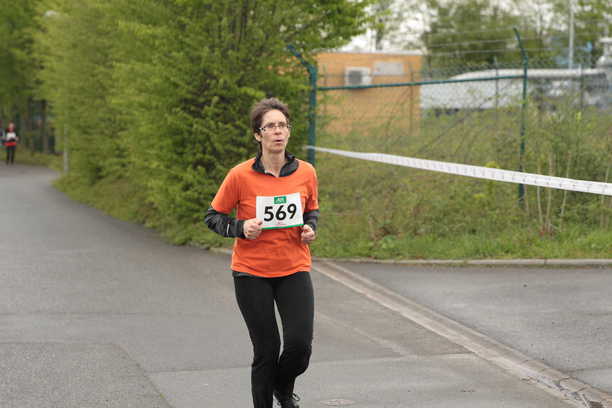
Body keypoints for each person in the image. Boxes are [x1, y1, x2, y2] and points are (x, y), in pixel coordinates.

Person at [205, 97, 319, 408]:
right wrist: (241, 227)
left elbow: (311, 210)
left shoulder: (306, 172)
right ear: (258, 135)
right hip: (251, 272)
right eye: (270, 126)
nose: (278, 131)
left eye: (283, 125)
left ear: (289, 131)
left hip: (294, 267)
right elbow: (213, 217)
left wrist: (310, 228)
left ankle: (281, 387)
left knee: (299, 347)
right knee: (267, 351)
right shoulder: (240, 175)